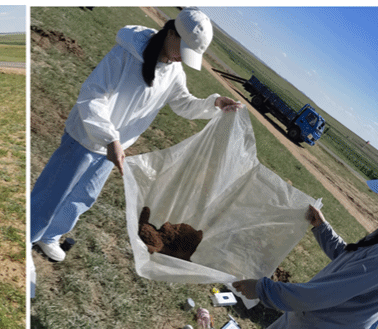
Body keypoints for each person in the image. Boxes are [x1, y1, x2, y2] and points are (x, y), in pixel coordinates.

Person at [31, 7, 241, 262]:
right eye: (182, 50)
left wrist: (214, 103)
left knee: (83, 197)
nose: (182, 59)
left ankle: (50, 235)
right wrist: (109, 137)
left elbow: (183, 104)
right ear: (171, 33)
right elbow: (93, 95)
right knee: (53, 193)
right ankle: (28, 236)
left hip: (113, 147)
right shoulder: (125, 54)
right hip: (86, 137)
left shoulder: (174, 71)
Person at [233, 162, 378, 329]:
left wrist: (262, 289)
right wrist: (322, 229)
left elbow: (319, 296)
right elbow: (349, 260)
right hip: (305, 322)